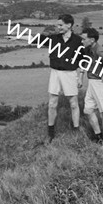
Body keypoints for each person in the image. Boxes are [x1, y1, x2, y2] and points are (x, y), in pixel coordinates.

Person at [38, 14, 84, 142]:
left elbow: (82, 61)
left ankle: (76, 130)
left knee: (73, 103)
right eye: (57, 25)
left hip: (70, 73)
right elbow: (35, 39)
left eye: (61, 25)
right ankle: (51, 133)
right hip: (55, 72)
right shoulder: (54, 38)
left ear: (69, 25)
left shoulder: (78, 41)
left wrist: (80, 78)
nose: (58, 28)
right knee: (52, 103)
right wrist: (17, 37)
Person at [79, 27, 103, 143]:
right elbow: (84, 64)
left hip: (101, 84)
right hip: (92, 83)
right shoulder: (88, 50)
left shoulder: (99, 50)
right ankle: (98, 136)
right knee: (88, 111)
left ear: (92, 40)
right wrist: (80, 78)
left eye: (84, 39)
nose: (82, 41)